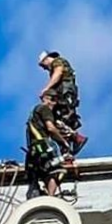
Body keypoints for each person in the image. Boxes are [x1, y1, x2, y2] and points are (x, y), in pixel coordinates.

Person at [25, 51, 87, 198]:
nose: (44, 68)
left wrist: (46, 88)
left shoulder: (57, 63)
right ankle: (70, 146)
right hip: (65, 97)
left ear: (47, 58)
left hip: (65, 97)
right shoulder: (54, 68)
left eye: (43, 65)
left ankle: (70, 145)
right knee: (59, 122)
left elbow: (58, 73)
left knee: (59, 123)